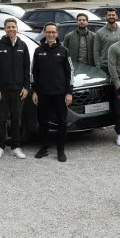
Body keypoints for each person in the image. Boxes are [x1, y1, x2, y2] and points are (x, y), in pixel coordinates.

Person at [32, 23, 74, 161]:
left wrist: (69, 92)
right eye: (48, 32)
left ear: (57, 33)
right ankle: (44, 148)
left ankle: (60, 150)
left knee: (62, 122)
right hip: (43, 94)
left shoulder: (64, 50)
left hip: (60, 94)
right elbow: (34, 73)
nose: (50, 34)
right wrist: (34, 91)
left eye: (53, 32)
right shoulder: (38, 51)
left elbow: (70, 72)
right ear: (44, 33)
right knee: (43, 122)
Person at [0, 18, 30, 159]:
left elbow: (27, 69)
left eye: (13, 27)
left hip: (19, 90)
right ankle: (0, 146)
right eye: (8, 27)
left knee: (16, 119)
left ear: (17, 28)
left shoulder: (23, 46)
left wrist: (26, 87)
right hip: (3, 90)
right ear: (5, 29)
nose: (11, 29)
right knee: (1, 119)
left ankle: (16, 147)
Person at [94, 8, 120, 73]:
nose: (111, 16)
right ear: (106, 17)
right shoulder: (99, 32)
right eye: (109, 15)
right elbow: (96, 51)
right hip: (105, 66)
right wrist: (98, 66)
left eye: (113, 15)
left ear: (116, 16)